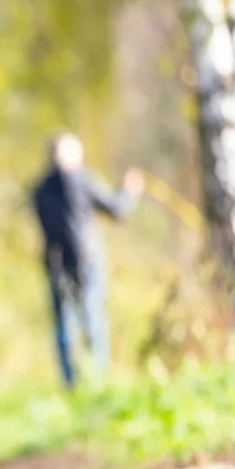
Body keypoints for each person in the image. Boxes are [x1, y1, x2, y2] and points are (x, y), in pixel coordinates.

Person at [33, 133, 145, 389]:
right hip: (88, 260)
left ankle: (70, 384)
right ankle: (99, 380)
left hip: (56, 262)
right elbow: (118, 209)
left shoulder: (40, 189)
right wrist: (130, 190)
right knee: (93, 317)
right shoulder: (84, 181)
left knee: (64, 324)